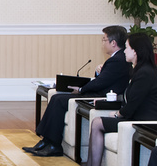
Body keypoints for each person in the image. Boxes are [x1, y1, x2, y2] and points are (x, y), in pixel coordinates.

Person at [67, 32, 157, 166]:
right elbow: (130, 99)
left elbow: (134, 104)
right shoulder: (138, 70)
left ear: (135, 51)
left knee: (97, 123)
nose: (124, 51)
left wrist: (119, 114)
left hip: (145, 122)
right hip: (135, 117)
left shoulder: (145, 73)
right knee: (97, 122)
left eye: (127, 48)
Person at [26, 25, 131, 157]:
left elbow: (100, 83)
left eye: (104, 40)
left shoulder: (117, 60)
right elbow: (104, 79)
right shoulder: (117, 58)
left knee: (58, 100)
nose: (102, 43)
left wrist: (81, 89)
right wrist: (98, 72)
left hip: (101, 97)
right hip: (99, 92)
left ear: (113, 43)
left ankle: (53, 144)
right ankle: (47, 140)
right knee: (56, 98)